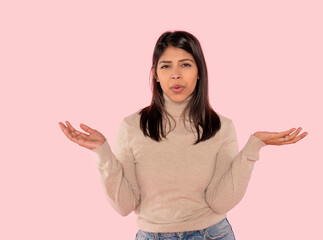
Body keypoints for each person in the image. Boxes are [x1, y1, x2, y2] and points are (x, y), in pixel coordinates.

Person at [59, 30, 308, 240]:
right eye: (166, 66)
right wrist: (102, 151)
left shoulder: (221, 126)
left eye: (185, 65)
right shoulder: (131, 126)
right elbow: (125, 205)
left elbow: (219, 202)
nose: (175, 74)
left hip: (212, 233)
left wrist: (254, 146)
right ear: (156, 74)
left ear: (199, 72)